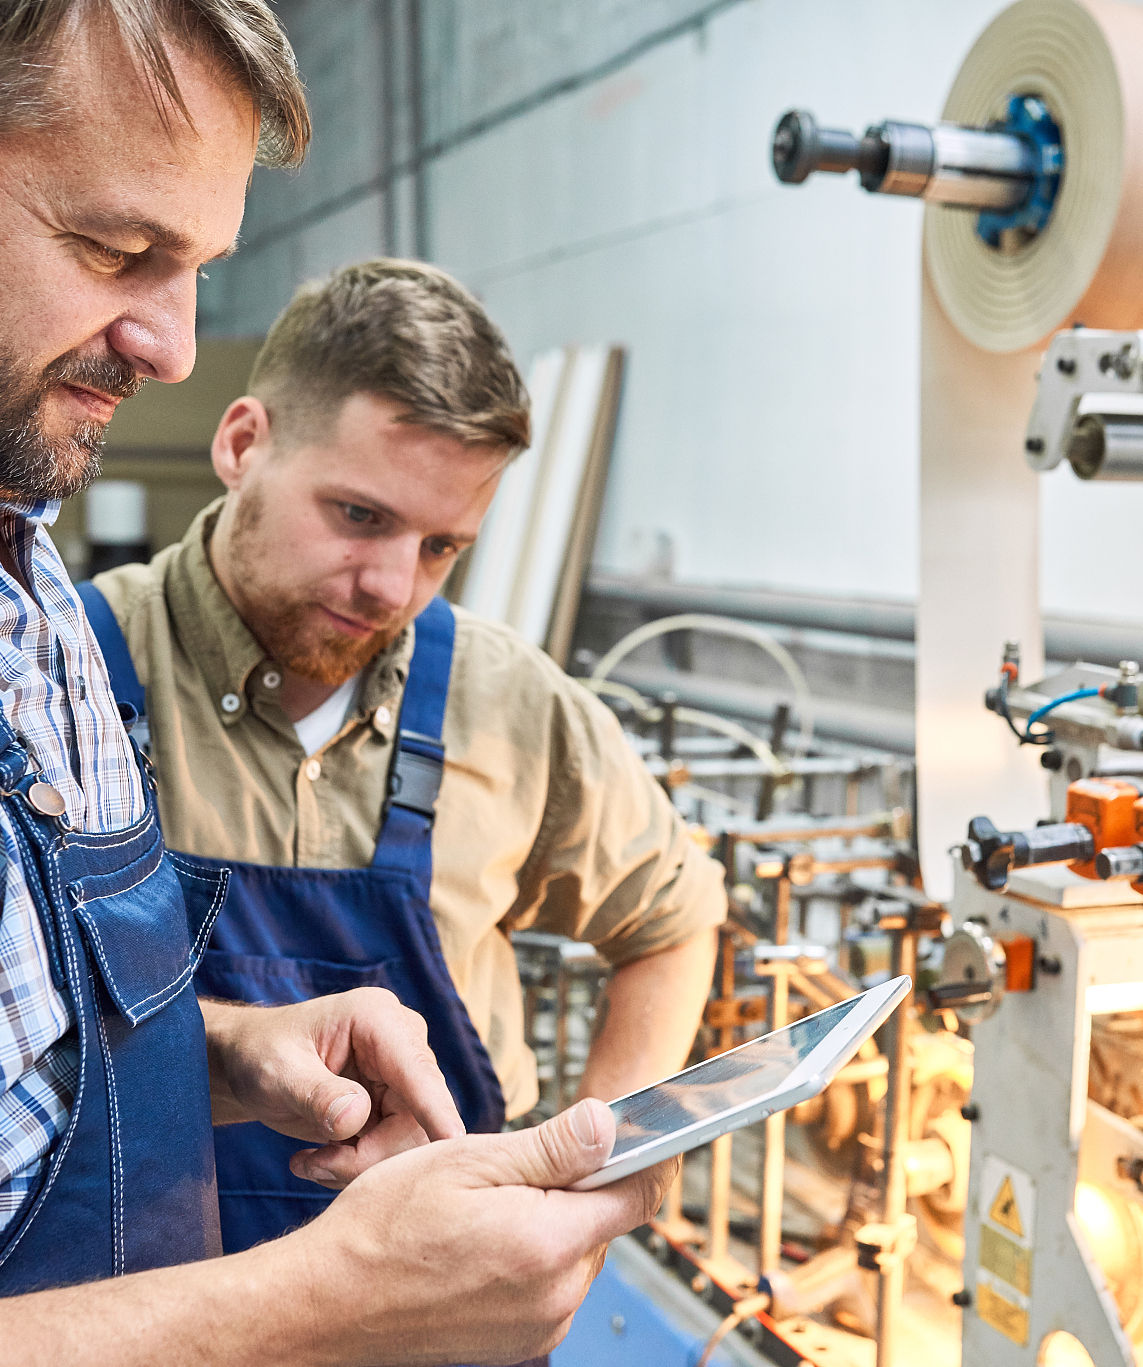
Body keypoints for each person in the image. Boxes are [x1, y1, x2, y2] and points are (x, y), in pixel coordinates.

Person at [0, 3, 668, 1364]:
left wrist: (227, 1051)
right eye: (119, 250)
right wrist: (330, 1296)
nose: (172, 344)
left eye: (197, 269)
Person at [83, 260, 725, 1247]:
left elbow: (672, 921)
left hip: (450, 1308)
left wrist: (588, 1203)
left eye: (440, 546)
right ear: (243, 442)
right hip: (149, 1301)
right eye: (360, 515)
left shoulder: (506, 701)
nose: (391, 584)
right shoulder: (67, 667)